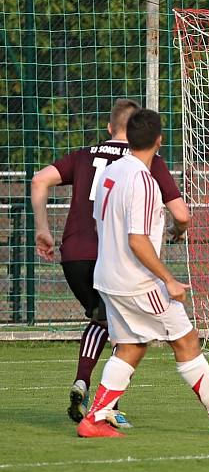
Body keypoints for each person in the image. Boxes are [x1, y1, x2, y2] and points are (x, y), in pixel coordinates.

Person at [76, 108, 209, 438]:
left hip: (107, 276)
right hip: (138, 281)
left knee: (131, 347)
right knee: (186, 340)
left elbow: (102, 221)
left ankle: (94, 419)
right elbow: (137, 240)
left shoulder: (111, 172)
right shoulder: (144, 182)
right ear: (159, 141)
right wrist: (168, 279)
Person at [31, 98, 190, 429]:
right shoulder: (144, 160)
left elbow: (38, 180)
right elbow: (181, 214)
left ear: (109, 127)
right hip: (116, 259)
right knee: (127, 333)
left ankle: (88, 389)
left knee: (104, 320)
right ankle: (103, 403)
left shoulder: (84, 155)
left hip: (74, 254)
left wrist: (43, 229)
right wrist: (176, 231)